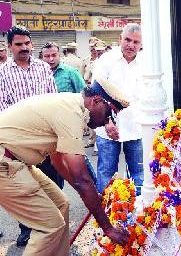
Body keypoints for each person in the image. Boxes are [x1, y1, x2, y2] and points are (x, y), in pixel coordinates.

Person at [0, 86, 130, 256]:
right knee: (50, 226)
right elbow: (82, 179)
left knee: (61, 204)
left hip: (17, 161)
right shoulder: (71, 113)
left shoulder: (71, 105)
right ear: (96, 101)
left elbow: (58, 161)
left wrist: (89, 195)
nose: (108, 121)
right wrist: (108, 228)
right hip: (6, 164)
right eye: (109, 114)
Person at [0, 25, 61, 247]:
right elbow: (2, 107)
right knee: (24, 187)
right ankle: (27, 229)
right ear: (9, 46)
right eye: (18, 44)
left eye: (27, 43)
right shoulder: (3, 73)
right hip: (17, 142)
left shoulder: (44, 68)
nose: (24, 48)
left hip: (45, 137)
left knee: (51, 182)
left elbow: (53, 100)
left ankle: (54, 225)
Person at [94, 23, 144, 195]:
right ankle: (104, 215)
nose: (131, 45)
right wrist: (107, 122)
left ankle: (138, 212)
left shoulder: (146, 63)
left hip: (136, 128)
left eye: (135, 42)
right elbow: (95, 94)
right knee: (107, 173)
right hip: (107, 128)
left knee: (139, 174)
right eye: (127, 40)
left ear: (141, 44)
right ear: (120, 39)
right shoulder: (105, 60)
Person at [41, 42, 96, 182]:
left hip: (69, 127)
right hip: (47, 129)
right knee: (54, 166)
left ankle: (99, 194)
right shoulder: (38, 74)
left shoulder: (70, 72)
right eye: (47, 56)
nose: (51, 59)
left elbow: (85, 96)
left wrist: (84, 120)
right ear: (42, 57)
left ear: (60, 55)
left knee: (80, 163)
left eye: (54, 55)